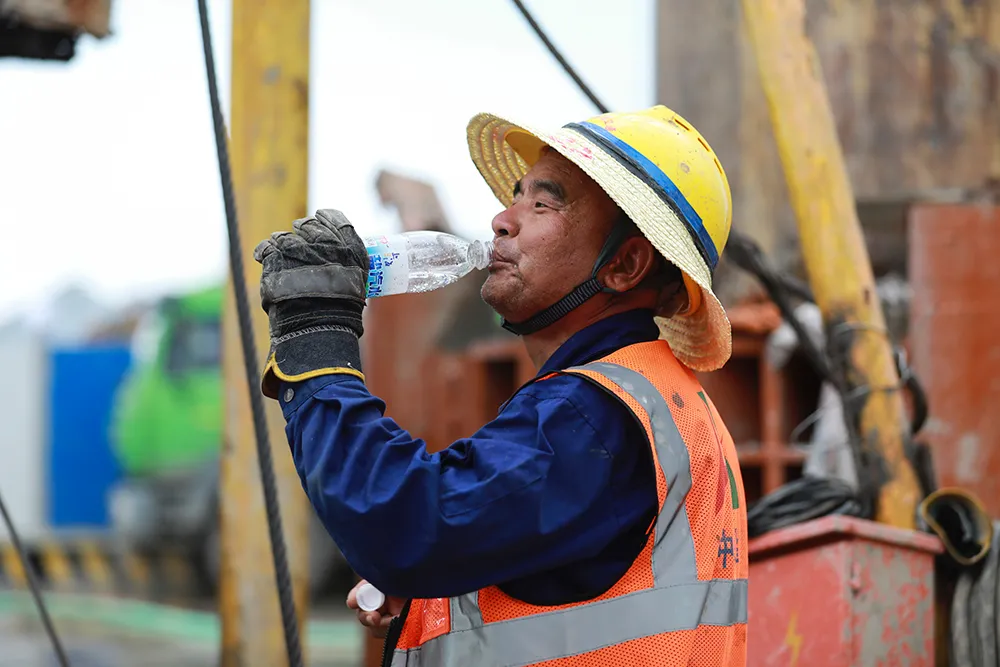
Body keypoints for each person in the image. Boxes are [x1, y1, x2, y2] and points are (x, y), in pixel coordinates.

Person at [253, 105, 748, 667]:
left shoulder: (592, 416)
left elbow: (406, 523)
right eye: (515, 196)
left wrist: (316, 341)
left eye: (543, 203)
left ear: (625, 264)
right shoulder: (654, 400)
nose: (501, 220)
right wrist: (440, 588)